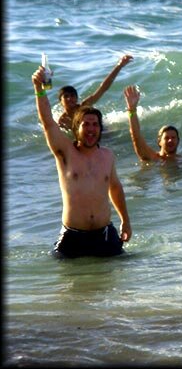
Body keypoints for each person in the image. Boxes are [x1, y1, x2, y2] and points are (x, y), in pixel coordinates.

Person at [32, 66, 132, 258]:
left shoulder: (107, 156)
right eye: (86, 124)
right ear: (77, 128)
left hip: (104, 234)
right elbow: (47, 122)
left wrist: (125, 221)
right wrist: (39, 88)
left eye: (95, 124)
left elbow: (116, 188)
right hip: (73, 237)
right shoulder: (65, 153)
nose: (91, 129)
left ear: (100, 129)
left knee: (122, 278)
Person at [57, 54, 134, 130]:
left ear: (77, 99)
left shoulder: (84, 106)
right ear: (60, 101)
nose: (69, 98)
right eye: (66, 96)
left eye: (72, 95)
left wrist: (119, 65)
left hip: (103, 132)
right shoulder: (63, 121)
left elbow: (103, 88)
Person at [123, 85, 182, 161]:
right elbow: (136, 136)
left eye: (173, 138)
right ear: (159, 142)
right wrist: (132, 110)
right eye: (166, 138)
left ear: (178, 141)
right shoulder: (152, 158)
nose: (170, 140)